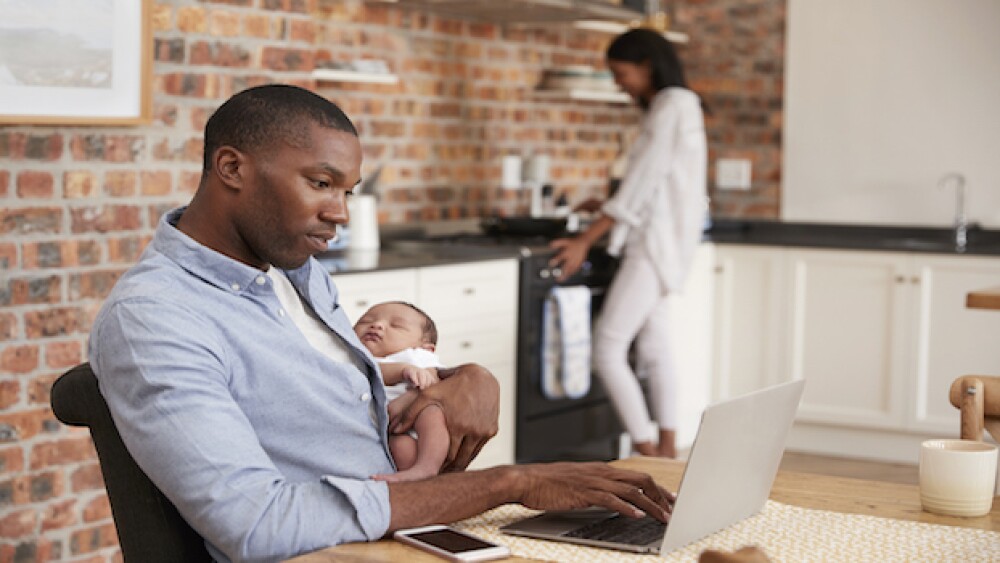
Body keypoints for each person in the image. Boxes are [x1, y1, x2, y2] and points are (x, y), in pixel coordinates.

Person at [88, 84, 674, 562]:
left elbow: (356, 384)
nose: (339, 213)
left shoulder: (294, 271)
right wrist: (510, 484)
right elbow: (254, 522)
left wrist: (464, 374)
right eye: (320, 183)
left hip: (398, 535)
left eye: (347, 190)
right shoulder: (156, 318)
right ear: (232, 168)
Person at [549, 28, 708, 459]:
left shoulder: (671, 105)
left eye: (621, 73)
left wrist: (585, 239)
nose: (619, 84)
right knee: (655, 348)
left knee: (608, 347)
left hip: (653, 245)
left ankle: (648, 450)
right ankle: (668, 455)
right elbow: (657, 183)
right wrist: (609, 203)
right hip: (664, 242)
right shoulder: (675, 106)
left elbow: (641, 184)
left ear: (647, 66)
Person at [354, 301, 449, 482]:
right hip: (391, 429)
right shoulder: (358, 359)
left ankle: (428, 466)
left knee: (432, 410)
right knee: (400, 447)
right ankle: (413, 480)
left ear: (425, 347)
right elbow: (374, 372)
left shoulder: (415, 355)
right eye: (365, 321)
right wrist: (401, 370)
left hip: (419, 416)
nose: (377, 325)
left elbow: (434, 380)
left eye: (396, 325)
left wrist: (415, 384)